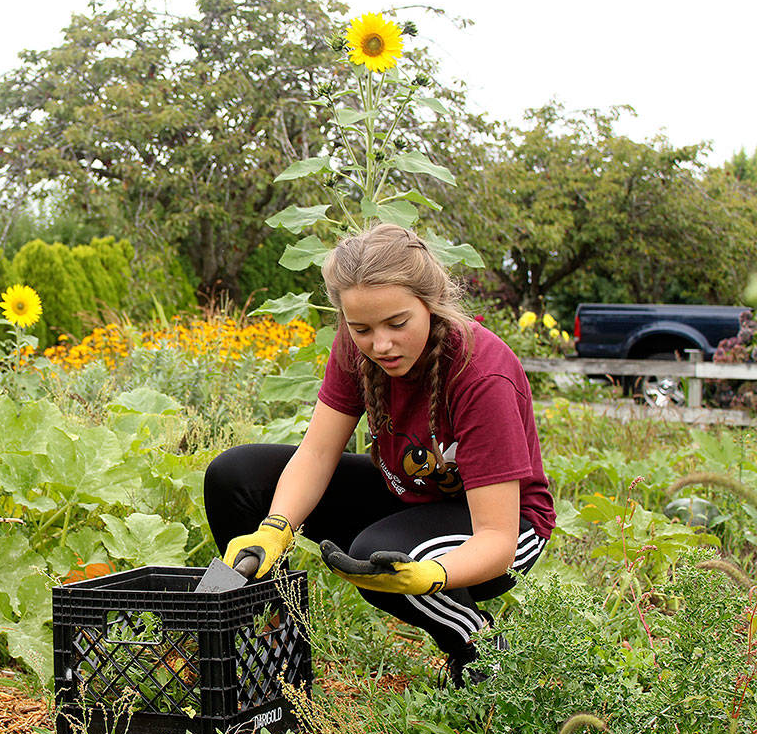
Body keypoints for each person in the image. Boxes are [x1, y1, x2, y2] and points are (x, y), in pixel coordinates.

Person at [204, 223, 552, 686]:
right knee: (235, 475)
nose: (380, 345)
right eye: (361, 328)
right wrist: (274, 529)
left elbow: (497, 540)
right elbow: (316, 454)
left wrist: (428, 576)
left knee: (377, 558)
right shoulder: (358, 349)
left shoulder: (481, 374)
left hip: (505, 527)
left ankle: (480, 649)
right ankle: (270, 646)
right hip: (410, 495)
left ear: (430, 304)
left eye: (397, 323)